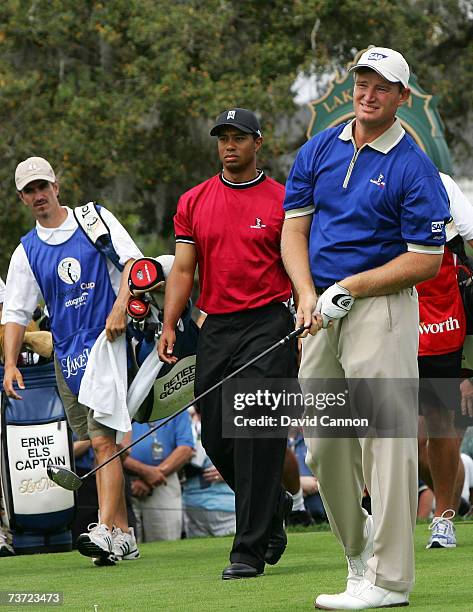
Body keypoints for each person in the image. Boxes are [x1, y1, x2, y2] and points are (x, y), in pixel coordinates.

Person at [281, 47, 450, 609]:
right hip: (318, 311)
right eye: (361, 82)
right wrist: (307, 293)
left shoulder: (413, 166)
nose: (368, 94)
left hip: (380, 308)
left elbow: (425, 259)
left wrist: (348, 290)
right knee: (325, 444)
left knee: (387, 442)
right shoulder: (320, 148)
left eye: (382, 86)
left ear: (403, 96)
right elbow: (294, 231)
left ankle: (390, 580)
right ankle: (358, 558)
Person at [158, 108, 297, 579]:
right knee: (216, 432)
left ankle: (249, 550)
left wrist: (306, 309)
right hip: (216, 325)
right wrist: (170, 322)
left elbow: (299, 262)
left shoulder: (284, 199)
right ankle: (271, 503)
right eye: (223, 138)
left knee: (256, 429)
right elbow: (182, 269)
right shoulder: (194, 201)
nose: (229, 145)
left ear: (259, 142)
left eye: (239, 137)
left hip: (270, 322)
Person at [2, 157, 142, 566]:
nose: (38, 195)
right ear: (23, 198)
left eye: (42, 186)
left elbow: (133, 263)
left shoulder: (93, 219)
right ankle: (124, 537)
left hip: (106, 343)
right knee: (102, 444)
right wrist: (11, 363)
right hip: (67, 354)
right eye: (29, 190)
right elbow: (14, 312)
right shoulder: (27, 251)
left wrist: (120, 308)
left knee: (102, 441)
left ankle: (107, 529)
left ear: (56, 186)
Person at [417, 173, 473, 548]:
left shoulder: (442, 184)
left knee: (446, 424)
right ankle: (448, 499)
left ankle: (444, 517)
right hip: (398, 315)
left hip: (450, 319)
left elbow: (468, 247)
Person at [122, 412, 194, 542]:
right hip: (125, 479)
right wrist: (146, 473)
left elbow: (185, 448)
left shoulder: (176, 404)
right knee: (126, 542)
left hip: (164, 480)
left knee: (166, 540)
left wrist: (152, 478)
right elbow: (110, 450)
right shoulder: (124, 403)